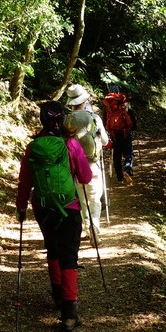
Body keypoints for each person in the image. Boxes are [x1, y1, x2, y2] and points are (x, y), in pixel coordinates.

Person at [15, 101, 93, 332]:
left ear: (42, 120)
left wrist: (21, 207)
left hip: (43, 207)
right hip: (69, 207)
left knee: (53, 248)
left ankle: (57, 293)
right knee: (69, 257)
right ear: (64, 120)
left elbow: (25, 181)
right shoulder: (71, 144)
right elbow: (86, 177)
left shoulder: (34, 146)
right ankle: (69, 313)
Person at [64, 84, 110, 246]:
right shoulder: (94, 118)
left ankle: (86, 226)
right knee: (94, 198)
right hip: (92, 165)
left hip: (74, 167)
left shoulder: (67, 120)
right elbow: (104, 142)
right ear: (84, 100)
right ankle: (94, 226)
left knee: (82, 199)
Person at [103, 87, 137, 185]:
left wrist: (107, 131)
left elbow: (105, 120)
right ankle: (127, 169)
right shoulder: (124, 103)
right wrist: (134, 127)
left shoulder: (107, 106)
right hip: (125, 133)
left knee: (116, 155)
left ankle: (119, 178)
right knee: (128, 153)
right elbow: (132, 118)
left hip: (114, 134)